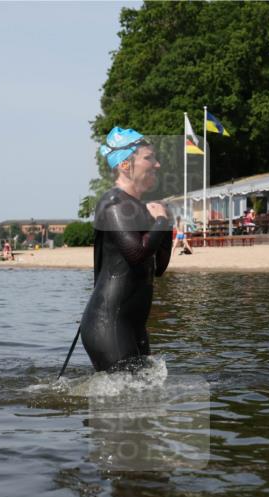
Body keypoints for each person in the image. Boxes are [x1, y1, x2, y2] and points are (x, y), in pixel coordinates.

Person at [81, 127, 172, 373]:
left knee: (141, 392)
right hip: (107, 324)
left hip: (134, 324)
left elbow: (159, 267)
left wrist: (166, 225)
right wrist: (160, 222)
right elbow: (136, 254)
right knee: (125, 394)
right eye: (149, 158)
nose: (157, 164)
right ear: (124, 165)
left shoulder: (141, 208)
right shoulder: (114, 204)